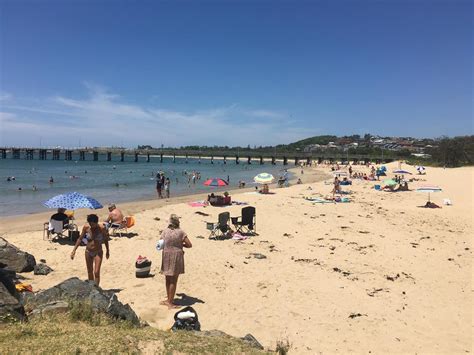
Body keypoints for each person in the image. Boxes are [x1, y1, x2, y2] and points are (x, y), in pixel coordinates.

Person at [159, 214, 192, 308]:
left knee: (167, 278)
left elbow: (160, 243)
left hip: (166, 255)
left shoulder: (165, 232)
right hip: (176, 255)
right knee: (174, 280)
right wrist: (181, 245)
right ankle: (170, 302)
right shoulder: (181, 232)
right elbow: (189, 245)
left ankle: (168, 299)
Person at [71, 214, 110, 286]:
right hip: (88, 252)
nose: (92, 226)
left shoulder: (101, 228)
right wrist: (74, 250)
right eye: (90, 224)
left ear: (96, 222)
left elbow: (105, 239)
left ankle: (97, 288)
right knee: (89, 271)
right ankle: (91, 287)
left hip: (98, 252)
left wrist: (108, 251)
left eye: (93, 224)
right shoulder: (86, 227)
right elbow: (80, 239)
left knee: (96, 272)